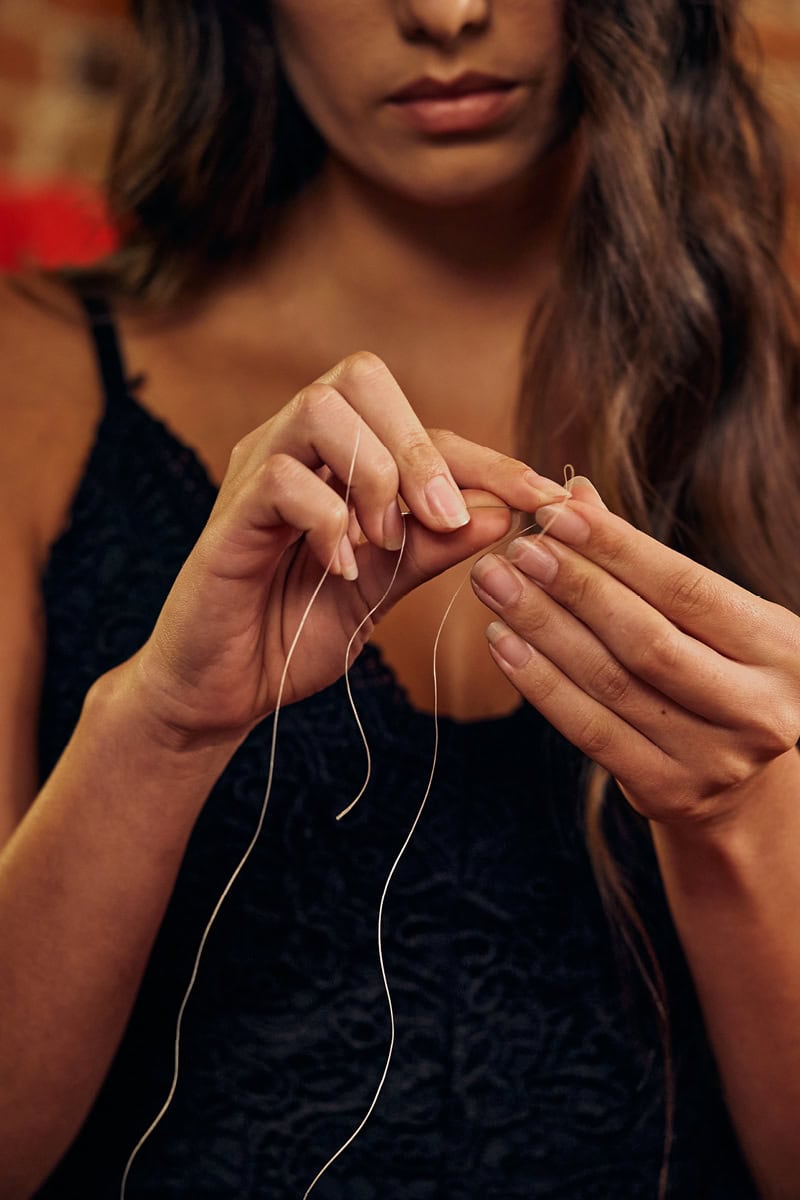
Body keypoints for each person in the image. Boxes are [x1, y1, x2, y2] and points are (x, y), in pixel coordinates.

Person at [1, 0, 799, 1196]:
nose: (445, 13)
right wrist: (160, 726)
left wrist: (739, 822)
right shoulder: (32, 376)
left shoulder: (772, 389)